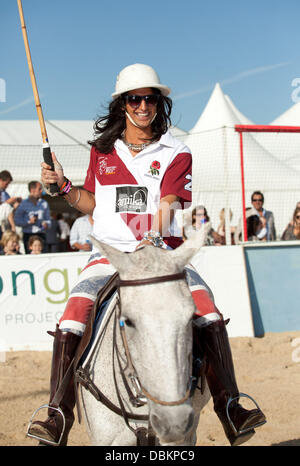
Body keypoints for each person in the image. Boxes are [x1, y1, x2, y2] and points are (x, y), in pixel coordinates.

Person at [27, 63, 265, 446]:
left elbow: (170, 201)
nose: (142, 105)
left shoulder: (176, 151)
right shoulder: (102, 151)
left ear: (158, 103)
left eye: (149, 98)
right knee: (72, 316)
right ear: (123, 103)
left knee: (209, 312)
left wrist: (151, 238)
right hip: (110, 256)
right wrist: (63, 185)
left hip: (162, 254)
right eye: (135, 98)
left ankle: (229, 404)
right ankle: (58, 411)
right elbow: (90, 203)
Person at [14, 181, 50, 253]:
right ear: (32, 190)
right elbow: (17, 221)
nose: (41, 191)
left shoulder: (44, 203)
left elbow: (48, 220)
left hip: (41, 234)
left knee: (43, 257)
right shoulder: (23, 204)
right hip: (28, 235)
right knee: (30, 259)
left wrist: (46, 224)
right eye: (39, 189)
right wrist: (29, 222)